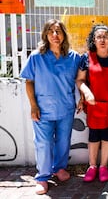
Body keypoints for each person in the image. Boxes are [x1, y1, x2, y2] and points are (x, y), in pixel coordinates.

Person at [20, 19, 81, 195]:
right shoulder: (37, 57)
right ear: (46, 35)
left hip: (66, 108)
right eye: (51, 31)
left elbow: (80, 79)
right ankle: (42, 177)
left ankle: (59, 168)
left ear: (64, 35)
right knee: (44, 143)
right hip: (43, 109)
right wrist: (33, 106)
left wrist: (81, 98)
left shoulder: (73, 57)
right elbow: (29, 82)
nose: (55, 35)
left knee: (63, 141)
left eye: (59, 31)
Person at [76, 24, 108, 183]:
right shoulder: (86, 58)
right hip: (93, 105)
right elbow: (80, 80)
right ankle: (92, 166)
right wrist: (86, 92)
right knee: (94, 135)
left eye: (105, 37)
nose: (102, 40)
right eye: (98, 37)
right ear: (93, 40)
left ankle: (104, 167)